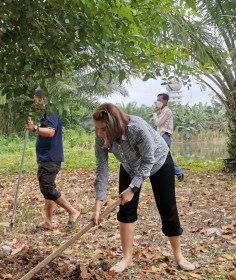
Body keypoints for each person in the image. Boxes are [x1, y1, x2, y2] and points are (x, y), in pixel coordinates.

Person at [92, 103, 195, 273]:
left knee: (167, 206)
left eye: (103, 129)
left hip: (158, 161)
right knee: (125, 209)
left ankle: (179, 256)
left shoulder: (136, 128)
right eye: (97, 129)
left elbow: (149, 160)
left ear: (115, 126)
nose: (100, 134)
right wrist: (97, 206)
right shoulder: (100, 137)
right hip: (129, 166)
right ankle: (127, 259)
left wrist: (132, 189)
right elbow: (101, 169)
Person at [25, 87, 80, 230]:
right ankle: (48, 222)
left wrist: (35, 129)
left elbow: (50, 132)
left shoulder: (51, 110)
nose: (35, 102)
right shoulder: (46, 112)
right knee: (47, 190)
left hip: (50, 157)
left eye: (35, 99)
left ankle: (73, 211)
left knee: (48, 188)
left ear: (41, 98)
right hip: (46, 157)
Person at [153, 93, 184, 182]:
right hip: (162, 137)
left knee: (164, 157)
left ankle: (179, 172)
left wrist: (154, 113)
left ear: (165, 101)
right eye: (157, 100)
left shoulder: (166, 111)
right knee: (163, 157)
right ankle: (177, 173)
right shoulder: (162, 111)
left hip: (165, 137)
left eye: (160, 100)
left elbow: (158, 123)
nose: (158, 102)